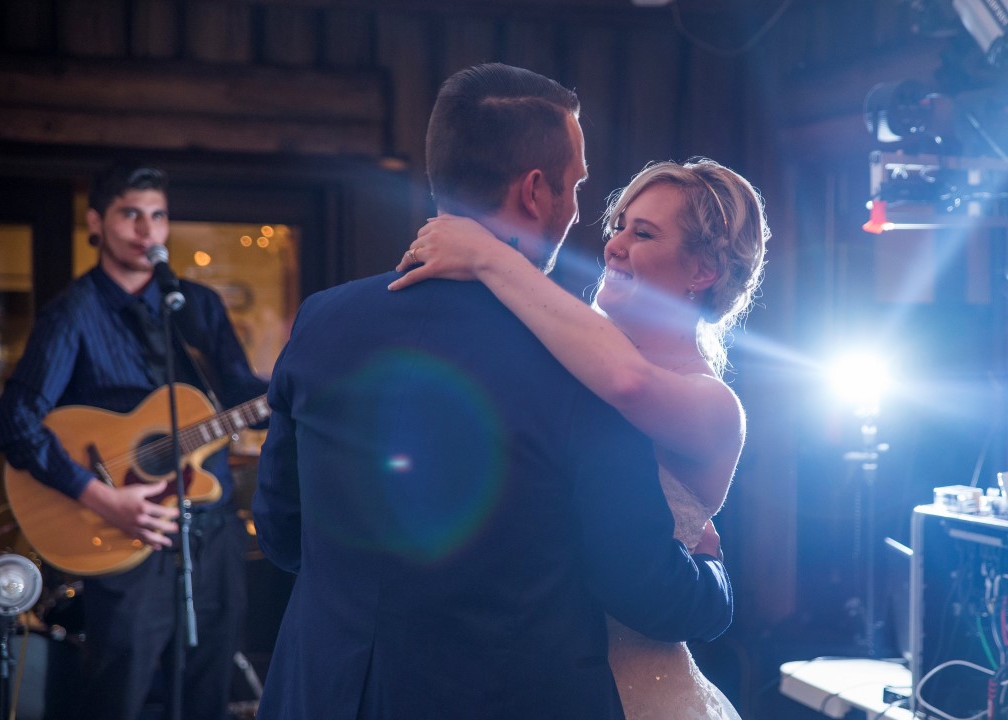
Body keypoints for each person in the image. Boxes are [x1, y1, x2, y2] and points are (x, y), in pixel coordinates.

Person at [252, 63, 733, 720]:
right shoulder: (583, 363)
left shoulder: (323, 319)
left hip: (323, 691)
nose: (583, 217)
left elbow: (282, 532)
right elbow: (635, 582)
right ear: (535, 191)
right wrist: (714, 581)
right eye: (576, 187)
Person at [390, 157, 769, 719]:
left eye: (643, 233)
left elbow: (628, 382)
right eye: (618, 224)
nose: (614, 244)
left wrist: (489, 254)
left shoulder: (713, 406)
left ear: (703, 271)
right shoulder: (555, 358)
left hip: (632, 688)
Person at [0, 161, 269, 720]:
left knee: (210, 695)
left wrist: (299, 390)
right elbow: (12, 423)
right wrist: (101, 498)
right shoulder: (73, 315)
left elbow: (242, 398)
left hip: (211, 533)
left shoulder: (197, 306)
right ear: (97, 222)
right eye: (130, 215)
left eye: (158, 216)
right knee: (120, 695)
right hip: (123, 538)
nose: (147, 231)